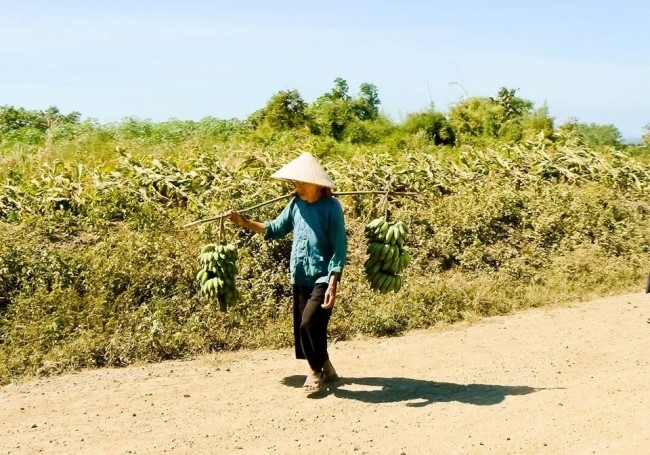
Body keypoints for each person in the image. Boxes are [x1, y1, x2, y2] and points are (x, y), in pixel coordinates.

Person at [227, 152, 347, 393]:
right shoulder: (296, 205)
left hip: (323, 275)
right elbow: (274, 228)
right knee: (315, 326)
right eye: (295, 183)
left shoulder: (332, 208)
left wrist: (333, 282)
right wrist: (245, 223)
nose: (298, 187)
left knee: (308, 323)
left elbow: (340, 247)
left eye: (303, 183)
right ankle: (327, 367)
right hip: (300, 274)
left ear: (317, 184)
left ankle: (314, 372)